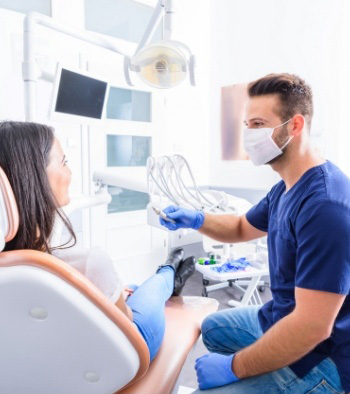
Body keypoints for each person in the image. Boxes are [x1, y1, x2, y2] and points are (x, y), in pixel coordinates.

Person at [160, 74, 350, 393]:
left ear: (295, 126)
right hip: (281, 317)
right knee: (211, 329)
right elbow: (239, 227)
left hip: (323, 357)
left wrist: (236, 367)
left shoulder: (326, 206)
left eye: (259, 124)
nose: (249, 135)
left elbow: (312, 327)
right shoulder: (285, 188)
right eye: (247, 125)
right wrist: (195, 219)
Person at [0, 120, 195, 362]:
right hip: (120, 362)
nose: (70, 172)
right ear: (35, 176)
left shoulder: (11, 268)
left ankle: (162, 278)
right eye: (63, 162)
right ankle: (168, 275)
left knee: (132, 288)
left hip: (47, 367)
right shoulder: (88, 262)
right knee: (149, 290)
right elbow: (127, 324)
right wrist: (114, 298)